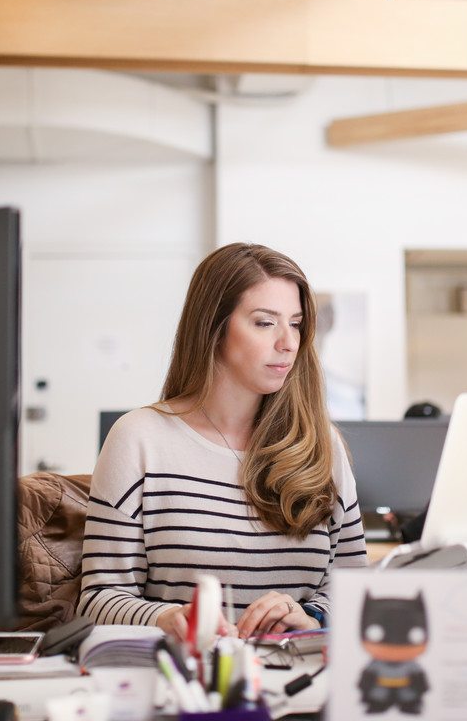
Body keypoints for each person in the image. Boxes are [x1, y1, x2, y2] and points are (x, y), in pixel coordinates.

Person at [78, 243, 368, 640]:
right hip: (191, 681)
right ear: (213, 329)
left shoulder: (322, 444)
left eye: (296, 323)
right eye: (265, 323)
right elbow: (98, 598)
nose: (288, 342)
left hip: (303, 681)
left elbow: (356, 589)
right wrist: (164, 618)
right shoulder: (139, 438)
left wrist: (313, 615)